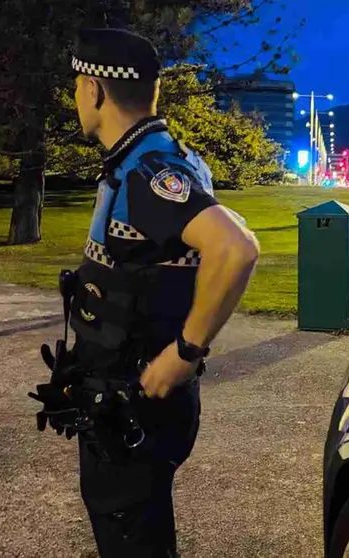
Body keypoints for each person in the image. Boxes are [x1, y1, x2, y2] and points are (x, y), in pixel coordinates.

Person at [37, 29, 260, 557]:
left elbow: (236, 248)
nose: (75, 98)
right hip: (124, 397)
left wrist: (185, 354)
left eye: (76, 87)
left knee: (134, 537)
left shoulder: (149, 171)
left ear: (93, 90)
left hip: (135, 403)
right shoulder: (149, 158)